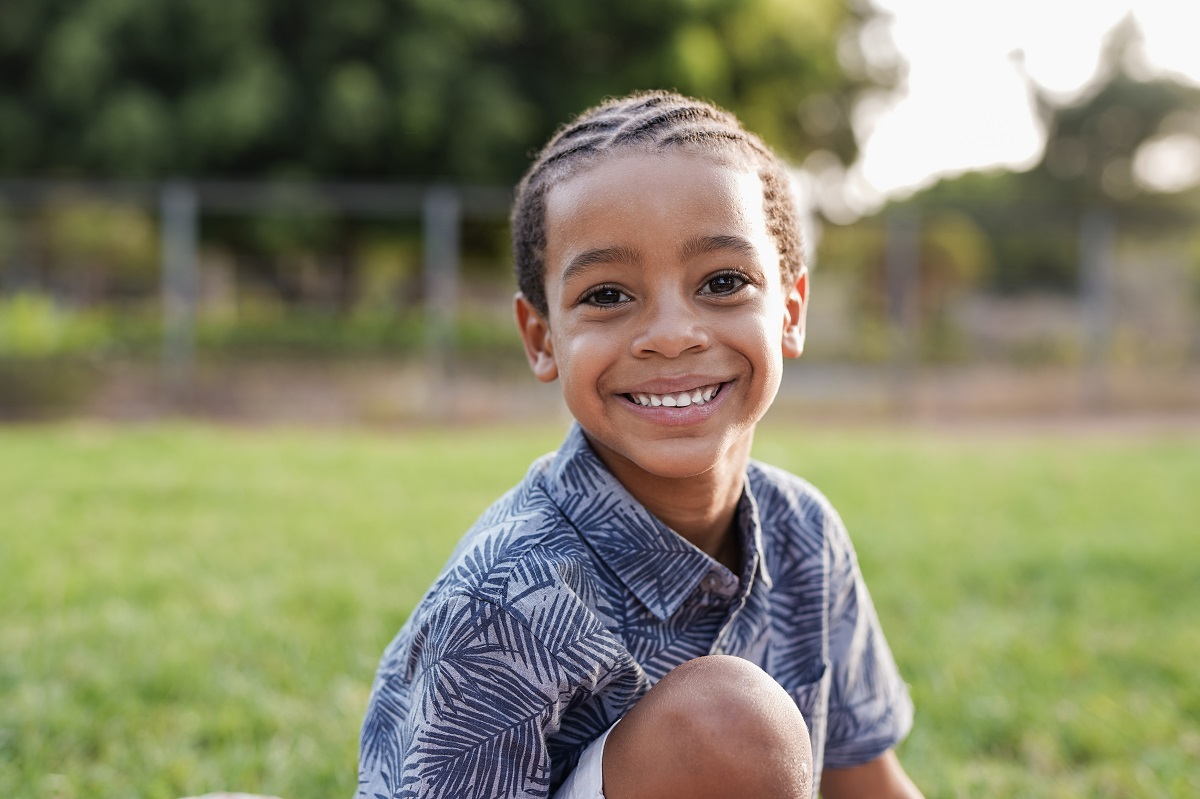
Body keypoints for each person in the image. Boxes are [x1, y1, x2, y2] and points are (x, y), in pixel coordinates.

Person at [357, 91, 922, 799]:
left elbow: (863, 782)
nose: (672, 333)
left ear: (790, 311)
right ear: (541, 338)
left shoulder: (804, 534)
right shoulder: (507, 600)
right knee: (729, 722)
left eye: (723, 281)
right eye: (608, 295)